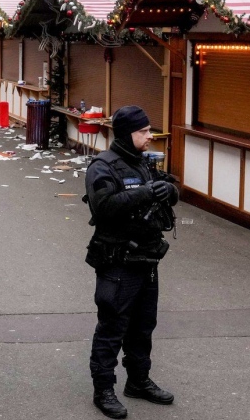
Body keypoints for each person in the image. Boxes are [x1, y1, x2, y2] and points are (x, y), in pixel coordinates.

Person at [83, 106, 178, 419]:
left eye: (149, 130)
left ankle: (138, 381)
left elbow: (169, 188)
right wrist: (148, 192)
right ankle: (104, 390)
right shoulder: (102, 166)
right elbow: (105, 206)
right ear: (126, 134)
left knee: (143, 327)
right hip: (118, 260)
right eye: (144, 131)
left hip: (148, 258)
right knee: (112, 327)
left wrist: (170, 190)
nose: (150, 136)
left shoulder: (144, 164)